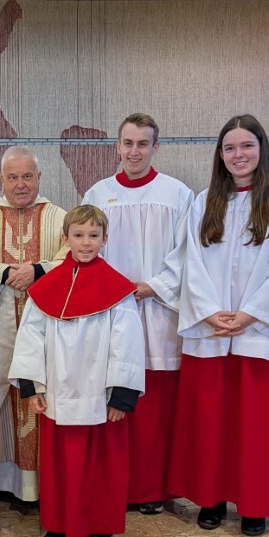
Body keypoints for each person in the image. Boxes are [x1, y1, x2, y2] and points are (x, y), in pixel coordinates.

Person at [167, 115, 269, 536]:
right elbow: (191, 261)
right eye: (230, 148)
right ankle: (210, 498)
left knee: (255, 427)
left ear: (261, 148)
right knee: (210, 423)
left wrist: (250, 314)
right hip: (210, 331)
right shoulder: (205, 201)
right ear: (220, 155)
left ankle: (255, 504)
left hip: (257, 332)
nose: (238, 155)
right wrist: (209, 311)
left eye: (246, 146)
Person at [9, 205, 145, 537]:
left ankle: (101, 528)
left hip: (101, 396)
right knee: (59, 465)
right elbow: (31, 337)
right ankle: (56, 524)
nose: (86, 243)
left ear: (105, 239)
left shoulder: (118, 290)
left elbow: (128, 341)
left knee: (102, 465)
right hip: (58, 394)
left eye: (93, 236)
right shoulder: (46, 287)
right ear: (65, 238)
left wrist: (122, 394)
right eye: (79, 235)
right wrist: (32, 386)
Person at [82, 113, 194, 515]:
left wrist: (154, 286)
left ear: (155, 147)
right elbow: (85, 248)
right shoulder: (98, 193)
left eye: (143, 144)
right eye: (128, 143)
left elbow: (188, 252)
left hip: (159, 311)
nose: (134, 152)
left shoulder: (177, 194)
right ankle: (114, 485)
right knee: (114, 395)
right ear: (117, 146)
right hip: (111, 311)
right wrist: (113, 291)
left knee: (155, 408)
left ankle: (150, 489)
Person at [0, 147, 66, 504]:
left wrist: (39, 270)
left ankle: (44, 482)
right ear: (0, 179)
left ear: (39, 177)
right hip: (0, 325)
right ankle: (0, 481)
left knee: (44, 392)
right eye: (13, 177)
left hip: (47, 329)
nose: (21, 184)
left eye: (27, 176)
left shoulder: (61, 219)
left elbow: (74, 259)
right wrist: (5, 273)